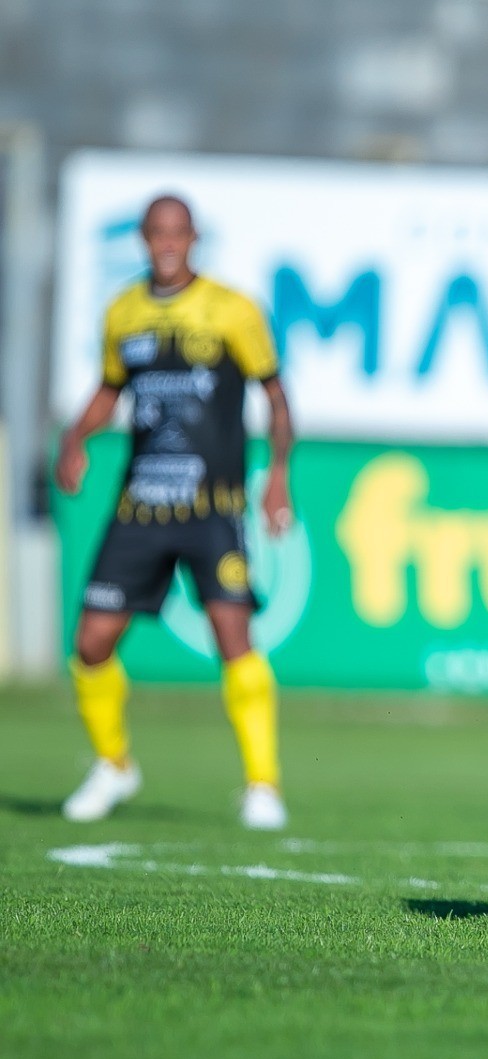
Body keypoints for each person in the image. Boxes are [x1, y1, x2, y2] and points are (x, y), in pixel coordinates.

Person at [54, 194, 294, 831]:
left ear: (192, 239)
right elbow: (111, 390)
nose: (165, 244)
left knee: (233, 635)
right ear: (143, 238)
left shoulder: (232, 310)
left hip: (212, 506)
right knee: (92, 641)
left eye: (176, 233)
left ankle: (262, 785)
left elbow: (275, 397)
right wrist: (76, 437)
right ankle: (113, 765)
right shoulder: (123, 312)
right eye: (155, 233)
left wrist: (277, 480)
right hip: (139, 506)